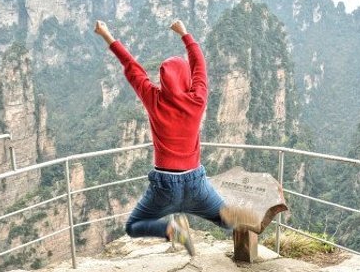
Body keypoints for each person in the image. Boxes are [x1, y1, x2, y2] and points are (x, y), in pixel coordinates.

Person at [94, 19, 259, 256]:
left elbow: (132, 68)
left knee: (134, 226)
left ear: (163, 79)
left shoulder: (154, 99)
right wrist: (184, 34)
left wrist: (107, 35)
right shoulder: (197, 99)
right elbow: (200, 66)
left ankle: (173, 231)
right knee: (225, 220)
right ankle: (227, 214)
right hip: (195, 182)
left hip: (164, 184)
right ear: (186, 78)